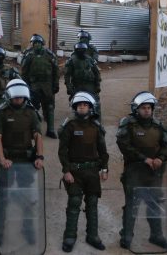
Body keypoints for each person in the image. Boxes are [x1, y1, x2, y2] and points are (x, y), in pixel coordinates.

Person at [0, 79, 44, 246]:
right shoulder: (1, 112)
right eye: (15, 97)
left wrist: (39, 156)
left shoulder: (31, 112)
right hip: (7, 160)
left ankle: (27, 229)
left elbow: (37, 135)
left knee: (27, 196)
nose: (18, 100)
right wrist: (2, 160)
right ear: (9, 96)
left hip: (26, 160)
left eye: (21, 97)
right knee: (3, 197)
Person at [116, 91, 167, 250]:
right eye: (143, 108)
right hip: (134, 172)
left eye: (149, 108)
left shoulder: (158, 126)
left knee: (154, 203)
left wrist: (160, 158)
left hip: (154, 172)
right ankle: (127, 235)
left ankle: (157, 235)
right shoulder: (128, 124)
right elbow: (124, 145)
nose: (147, 110)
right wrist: (143, 158)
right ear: (136, 109)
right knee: (132, 203)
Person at [58, 91, 108, 252]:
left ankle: (92, 235)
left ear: (90, 108)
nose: (82, 108)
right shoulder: (69, 126)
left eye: (85, 105)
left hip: (92, 171)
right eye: (79, 105)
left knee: (92, 203)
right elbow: (63, 151)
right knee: (74, 202)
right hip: (74, 171)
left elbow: (103, 150)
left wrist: (104, 168)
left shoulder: (96, 126)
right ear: (75, 107)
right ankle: (70, 236)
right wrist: (66, 170)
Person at [21, 34, 60, 138]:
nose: (36, 45)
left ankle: (50, 130)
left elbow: (56, 70)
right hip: (34, 84)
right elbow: (24, 72)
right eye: (34, 43)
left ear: (42, 44)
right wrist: (26, 86)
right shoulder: (29, 55)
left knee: (50, 106)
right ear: (32, 45)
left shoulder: (49, 55)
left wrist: (56, 84)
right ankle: (34, 129)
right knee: (33, 107)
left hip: (47, 84)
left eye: (38, 43)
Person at [64, 42, 102, 119]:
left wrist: (97, 85)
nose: (81, 51)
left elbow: (97, 73)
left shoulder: (90, 59)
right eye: (79, 50)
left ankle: (97, 121)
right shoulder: (72, 61)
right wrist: (69, 87)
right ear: (76, 50)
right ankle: (77, 119)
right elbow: (67, 75)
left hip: (90, 85)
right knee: (76, 102)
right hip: (77, 85)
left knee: (95, 102)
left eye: (83, 50)